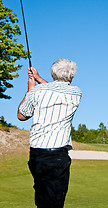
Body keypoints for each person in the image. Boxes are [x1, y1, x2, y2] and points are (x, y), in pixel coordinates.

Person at [17, 58, 82, 208]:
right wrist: (38, 80)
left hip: (36, 155)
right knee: (55, 202)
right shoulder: (76, 93)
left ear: (52, 73)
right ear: (71, 76)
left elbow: (22, 115)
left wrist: (30, 88)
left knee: (42, 199)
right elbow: (54, 90)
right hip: (58, 156)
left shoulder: (37, 91)